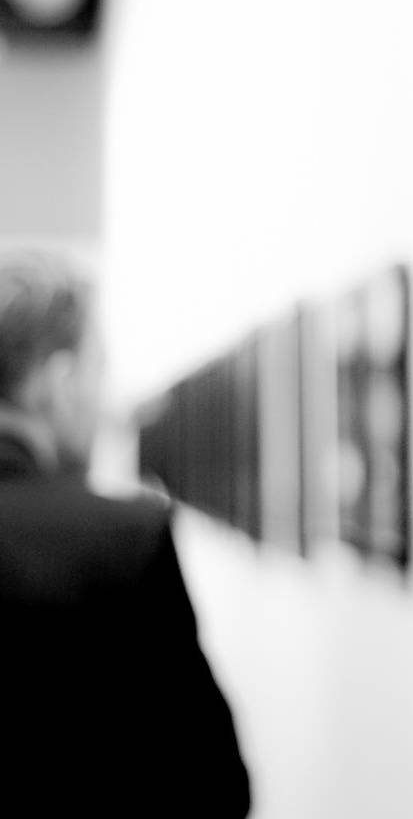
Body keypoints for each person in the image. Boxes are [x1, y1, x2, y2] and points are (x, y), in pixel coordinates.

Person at [0, 248, 251, 816]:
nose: (104, 405)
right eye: (98, 374)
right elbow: (215, 788)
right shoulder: (122, 539)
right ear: (60, 383)